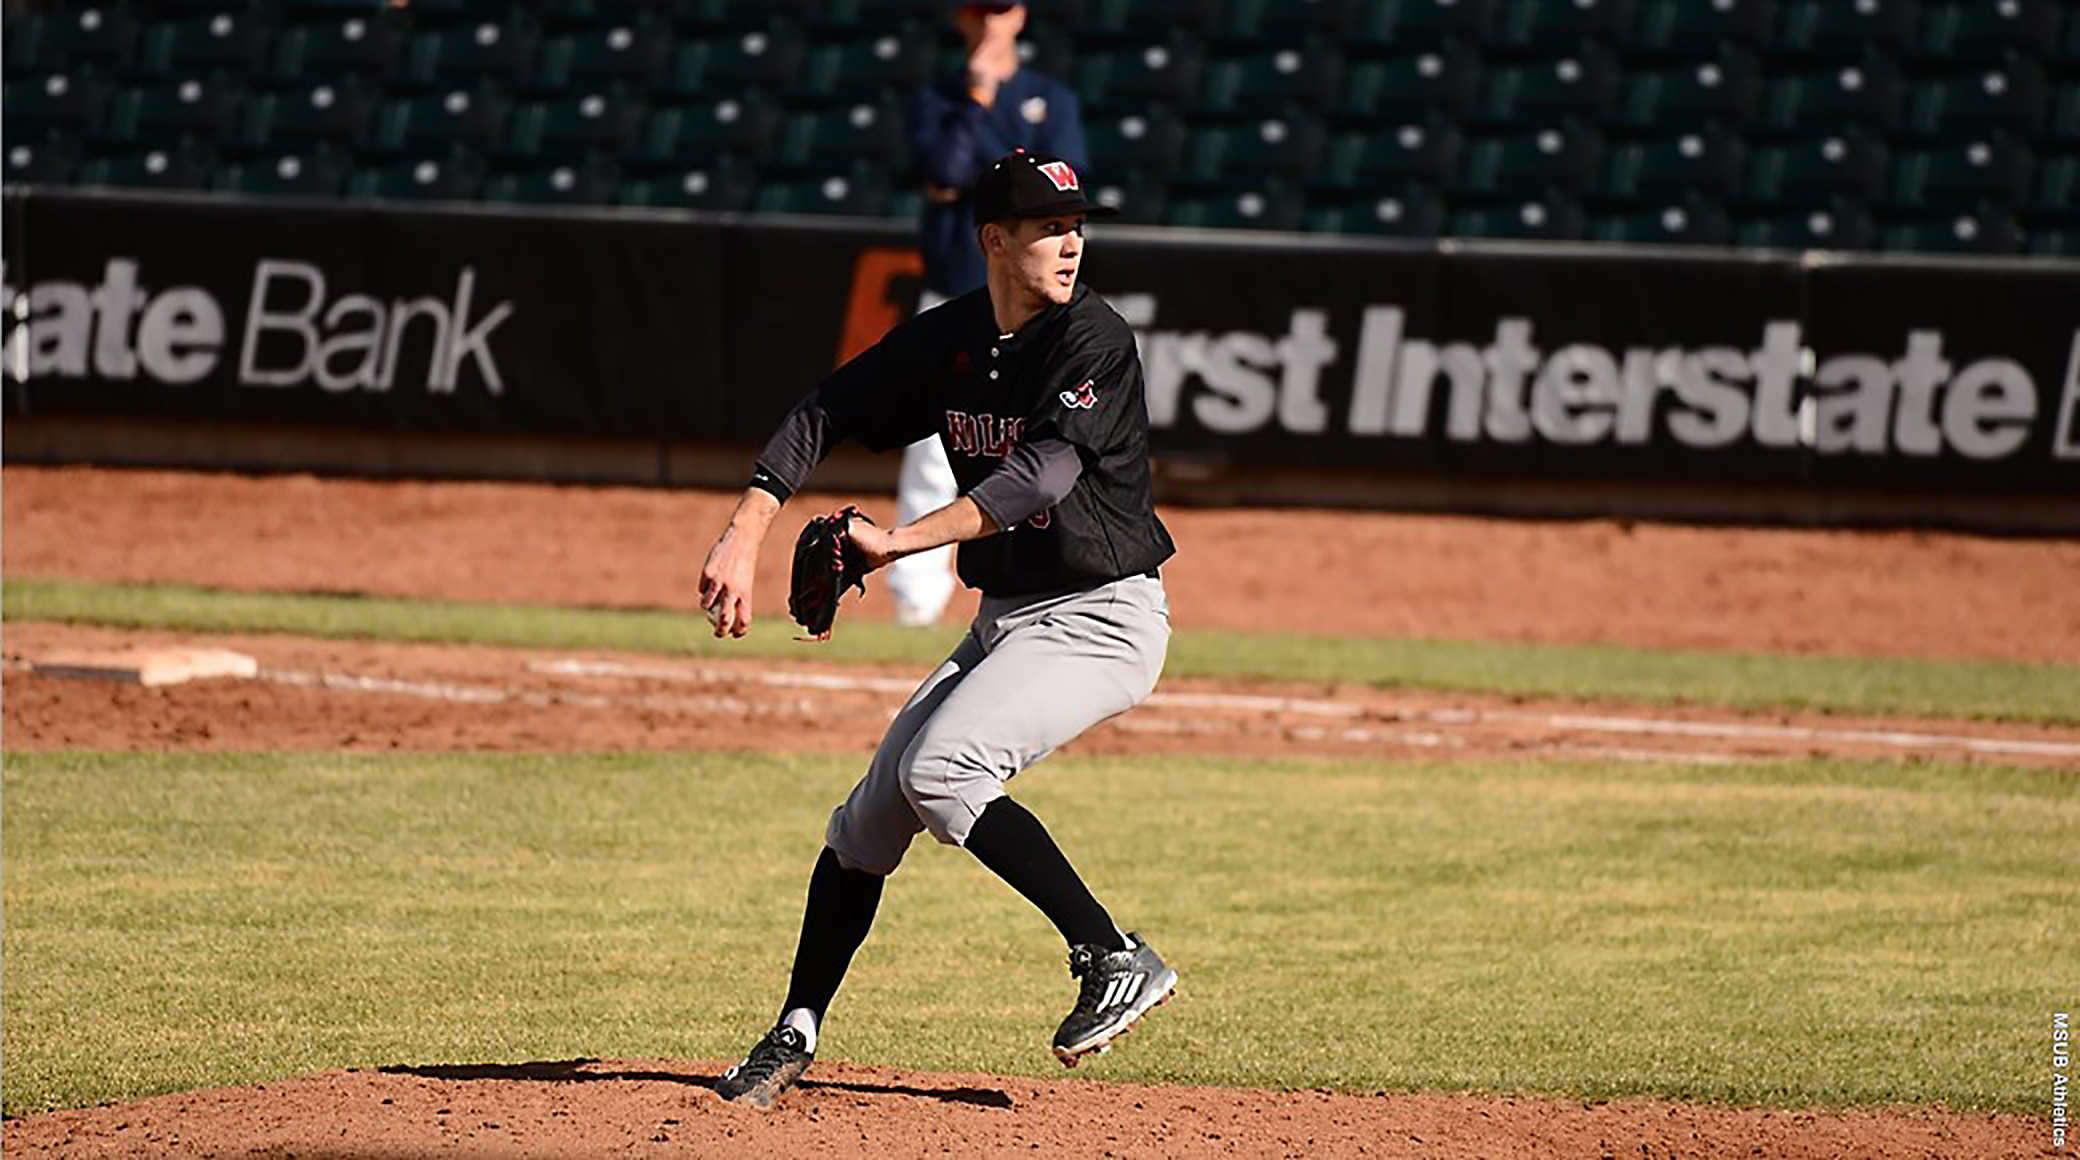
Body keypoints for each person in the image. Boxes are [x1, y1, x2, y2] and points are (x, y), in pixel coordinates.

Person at [696, 150, 1176, 1109]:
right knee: (868, 820)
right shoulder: (952, 340)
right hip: (1010, 619)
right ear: (995, 239)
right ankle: (796, 1030)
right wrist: (745, 530)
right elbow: (823, 409)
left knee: (943, 771)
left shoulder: (1094, 340)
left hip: (1104, 617)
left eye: (1078, 223)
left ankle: (1113, 954)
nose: (1071, 241)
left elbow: (1034, 480)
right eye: (1047, 226)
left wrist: (896, 544)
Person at [890, 0, 1091, 627]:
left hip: (1032, 300)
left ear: (1020, 17)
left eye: (999, 11)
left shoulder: (1049, 97)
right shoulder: (941, 98)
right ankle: (916, 606)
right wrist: (977, 99)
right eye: (978, 11)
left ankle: (1052, 590)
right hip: (955, 288)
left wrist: (983, 177)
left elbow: (1062, 189)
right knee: (933, 446)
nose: (988, 24)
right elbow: (944, 172)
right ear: (960, 19)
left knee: (1041, 442)